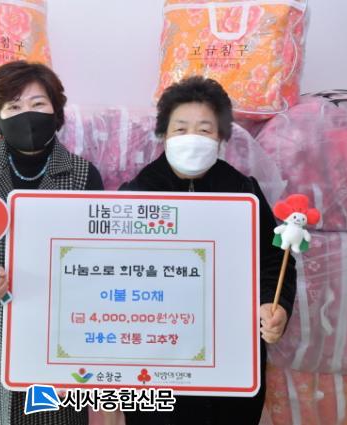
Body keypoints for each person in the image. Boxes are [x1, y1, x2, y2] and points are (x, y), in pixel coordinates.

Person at [120, 76, 296, 425]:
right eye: (180, 128)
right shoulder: (136, 194)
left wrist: (275, 306)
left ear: (220, 137)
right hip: (156, 360)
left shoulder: (243, 191)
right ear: (164, 135)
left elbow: (275, 257)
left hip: (229, 361)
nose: (192, 138)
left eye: (204, 130)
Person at [0, 60, 103, 425]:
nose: (26, 115)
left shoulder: (82, 174)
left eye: (37, 103)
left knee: (50, 417)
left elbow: (95, 256)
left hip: (54, 331)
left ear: (56, 111)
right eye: (13, 106)